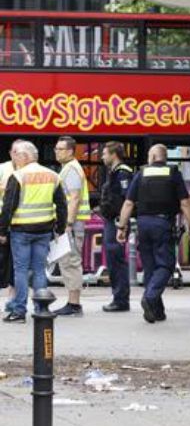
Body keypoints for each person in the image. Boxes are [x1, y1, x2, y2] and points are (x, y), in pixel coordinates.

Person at [116, 144, 190, 324]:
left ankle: (157, 311)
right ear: (164, 158)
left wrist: (122, 228)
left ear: (152, 157)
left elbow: (128, 203)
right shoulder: (173, 173)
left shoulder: (141, 173)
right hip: (162, 223)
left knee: (151, 268)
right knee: (166, 265)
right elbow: (185, 204)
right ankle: (150, 297)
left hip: (143, 224)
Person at [0, 141, 67, 323]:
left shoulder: (19, 176)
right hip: (44, 230)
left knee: (20, 271)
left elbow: (9, 206)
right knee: (39, 270)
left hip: (21, 230)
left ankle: (19, 311)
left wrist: (2, 231)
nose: (16, 159)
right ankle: (41, 308)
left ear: (26, 156)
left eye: (18, 155)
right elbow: (61, 204)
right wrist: (60, 228)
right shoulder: (53, 176)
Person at [51, 136, 91, 317]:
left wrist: (67, 223)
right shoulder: (68, 168)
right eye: (56, 148)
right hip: (71, 224)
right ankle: (72, 302)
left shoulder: (72, 170)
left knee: (71, 262)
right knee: (67, 262)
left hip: (72, 225)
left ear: (69, 151)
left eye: (60, 149)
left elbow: (74, 198)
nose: (56, 151)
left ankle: (74, 305)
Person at [99, 142, 134, 312]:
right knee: (113, 260)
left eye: (105, 153)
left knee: (116, 260)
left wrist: (122, 223)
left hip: (116, 222)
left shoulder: (123, 173)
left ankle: (121, 300)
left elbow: (126, 198)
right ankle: (118, 297)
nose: (102, 157)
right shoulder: (113, 173)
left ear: (114, 154)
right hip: (112, 221)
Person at [0, 140, 23, 311]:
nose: (18, 154)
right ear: (10, 153)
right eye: (15, 151)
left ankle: (12, 297)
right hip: (2, 218)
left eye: (21, 151)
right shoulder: (3, 168)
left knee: (14, 262)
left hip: (20, 222)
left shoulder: (30, 170)